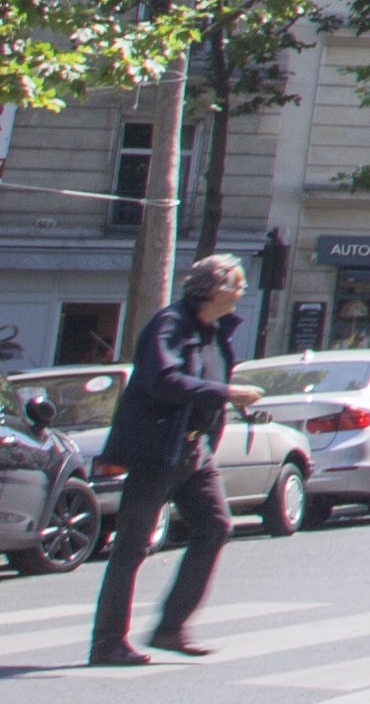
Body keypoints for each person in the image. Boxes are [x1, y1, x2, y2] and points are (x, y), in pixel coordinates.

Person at [87, 255, 252, 666]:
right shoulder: (171, 324)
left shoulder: (214, 331)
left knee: (215, 527)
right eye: (238, 285)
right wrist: (227, 394)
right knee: (132, 546)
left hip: (195, 451)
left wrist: (221, 408)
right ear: (214, 289)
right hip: (157, 451)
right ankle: (108, 643)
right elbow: (163, 381)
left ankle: (170, 628)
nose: (242, 292)